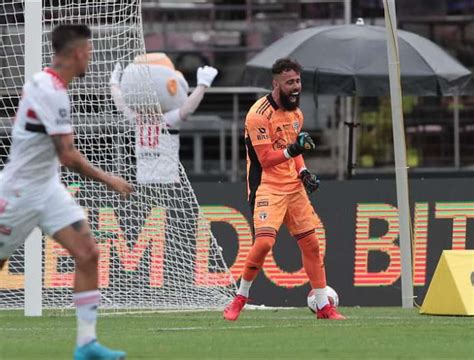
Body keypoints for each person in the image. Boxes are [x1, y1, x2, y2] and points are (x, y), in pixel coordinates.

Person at [0, 24, 133, 359]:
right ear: (77, 53)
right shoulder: (50, 91)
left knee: (88, 253)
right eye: (89, 52)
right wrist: (111, 180)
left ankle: (86, 345)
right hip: (18, 193)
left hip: (47, 188)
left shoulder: (52, 85)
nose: (91, 58)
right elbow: (68, 155)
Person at [223, 58, 345, 321]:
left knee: (312, 244)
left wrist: (303, 172)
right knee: (265, 242)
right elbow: (267, 159)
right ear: (276, 83)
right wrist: (293, 150)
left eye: (298, 81)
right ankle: (240, 298)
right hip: (267, 186)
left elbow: (294, 151)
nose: (296, 87)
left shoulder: (296, 115)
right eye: (290, 82)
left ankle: (324, 307)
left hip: (293, 187)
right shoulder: (258, 115)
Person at [109, 54, 218, 184]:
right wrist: (114, 83)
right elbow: (121, 104)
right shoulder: (137, 119)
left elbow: (187, 109)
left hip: (167, 181)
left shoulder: (168, 120)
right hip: (143, 181)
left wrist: (202, 85)